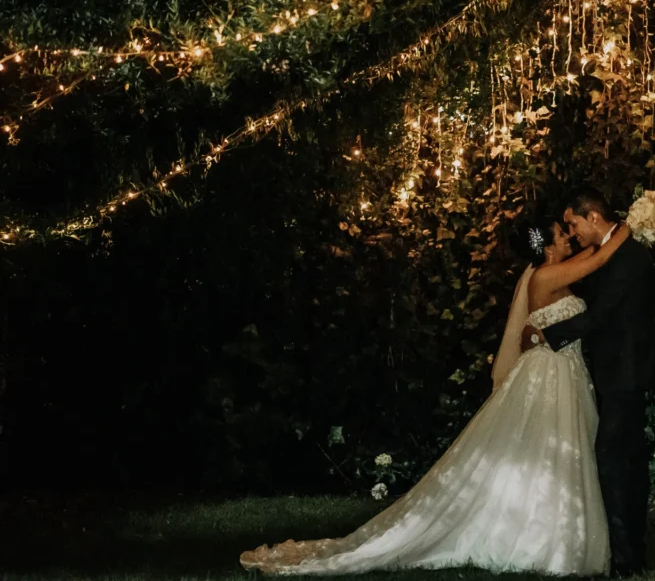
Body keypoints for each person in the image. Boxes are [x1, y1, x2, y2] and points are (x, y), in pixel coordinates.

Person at [239, 215, 630, 576]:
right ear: (547, 247)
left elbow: (582, 275)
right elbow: (597, 260)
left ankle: (552, 531)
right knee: (540, 448)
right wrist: (631, 225)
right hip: (548, 376)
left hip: (566, 373)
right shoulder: (545, 276)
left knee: (556, 451)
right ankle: (540, 539)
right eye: (563, 234)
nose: (569, 237)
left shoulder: (554, 273)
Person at [522, 186, 655, 577]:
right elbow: (595, 277)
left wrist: (550, 335)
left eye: (573, 223)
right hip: (617, 372)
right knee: (625, 462)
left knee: (616, 461)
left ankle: (626, 559)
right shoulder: (611, 251)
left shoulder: (627, 256)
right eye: (564, 229)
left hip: (625, 372)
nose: (571, 232)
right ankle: (630, 552)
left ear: (593, 218)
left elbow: (600, 316)